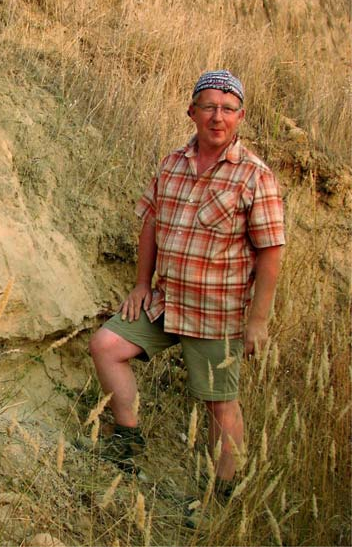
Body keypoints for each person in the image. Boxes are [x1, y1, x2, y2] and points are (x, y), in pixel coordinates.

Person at [89, 70, 285, 500]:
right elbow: (152, 221)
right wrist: (142, 283)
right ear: (192, 112)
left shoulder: (255, 176)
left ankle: (224, 495)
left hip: (218, 312)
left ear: (241, 116)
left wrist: (258, 320)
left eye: (228, 109)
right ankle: (128, 442)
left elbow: (271, 251)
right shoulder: (173, 163)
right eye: (209, 107)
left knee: (219, 404)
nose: (218, 117)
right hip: (167, 300)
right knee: (106, 346)